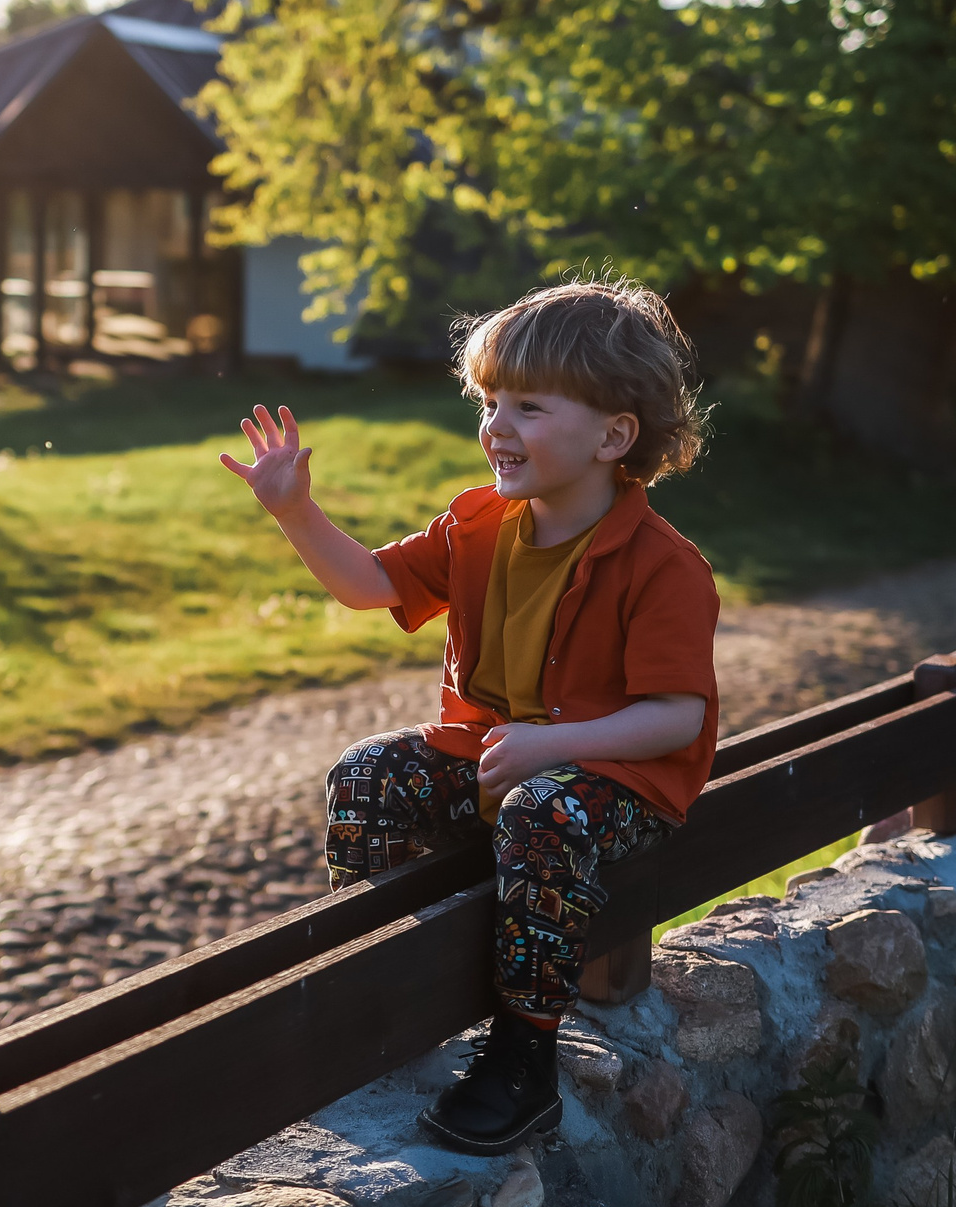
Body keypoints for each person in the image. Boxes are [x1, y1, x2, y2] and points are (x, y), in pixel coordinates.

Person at [220, 277, 720, 1154]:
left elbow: (677, 718)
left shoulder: (663, 565)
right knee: (368, 774)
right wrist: (295, 510)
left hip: (616, 783)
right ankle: (376, 997)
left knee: (543, 811)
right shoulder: (479, 521)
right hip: (508, 759)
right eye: (490, 402)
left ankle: (523, 1060)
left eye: (529, 405)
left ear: (614, 434)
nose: (498, 425)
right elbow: (369, 584)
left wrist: (553, 745)